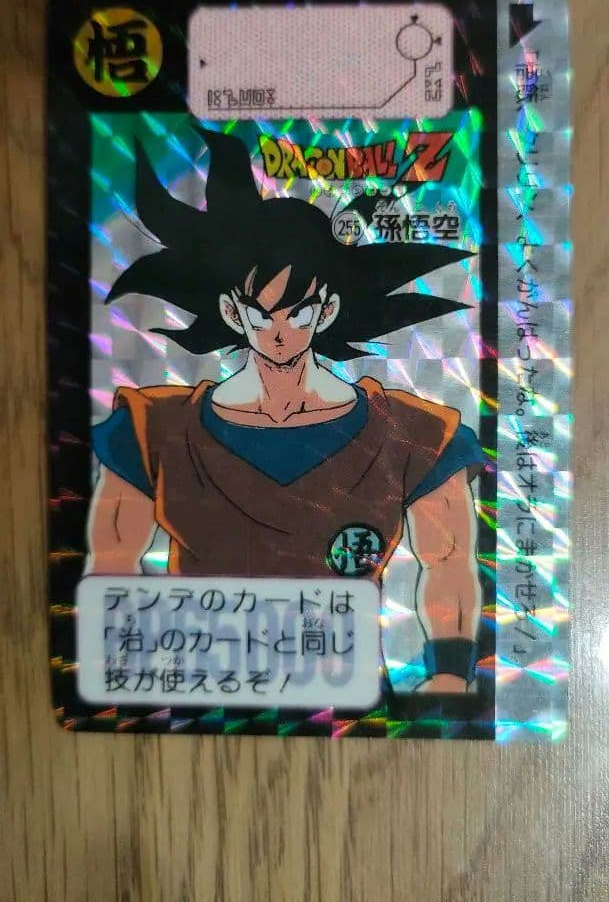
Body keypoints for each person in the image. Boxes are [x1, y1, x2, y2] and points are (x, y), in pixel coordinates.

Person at [88, 127, 483, 693]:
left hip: (348, 700)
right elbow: (111, 562)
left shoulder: (410, 434)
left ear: (327, 310)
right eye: (260, 312)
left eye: (297, 311)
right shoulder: (155, 429)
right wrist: (115, 676)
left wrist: (449, 675)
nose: (279, 331)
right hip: (201, 692)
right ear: (232, 311)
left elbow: (449, 561)